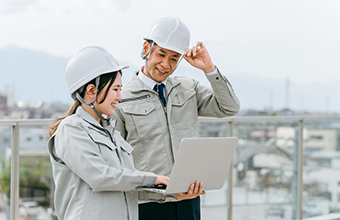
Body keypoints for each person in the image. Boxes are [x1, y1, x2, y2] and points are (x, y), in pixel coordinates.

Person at [113, 17, 240, 220]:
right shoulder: (121, 99)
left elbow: (229, 107)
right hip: (147, 205)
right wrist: (165, 191)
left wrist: (209, 69)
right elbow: (116, 165)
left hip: (189, 200)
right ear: (146, 48)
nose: (166, 64)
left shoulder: (188, 88)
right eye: (161, 54)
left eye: (174, 58)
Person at [47, 46, 169, 220]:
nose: (119, 96)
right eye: (115, 89)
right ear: (91, 91)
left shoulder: (111, 132)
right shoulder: (71, 129)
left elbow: (124, 183)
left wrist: (167, 192)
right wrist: (152, 178)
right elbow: (101, 177)